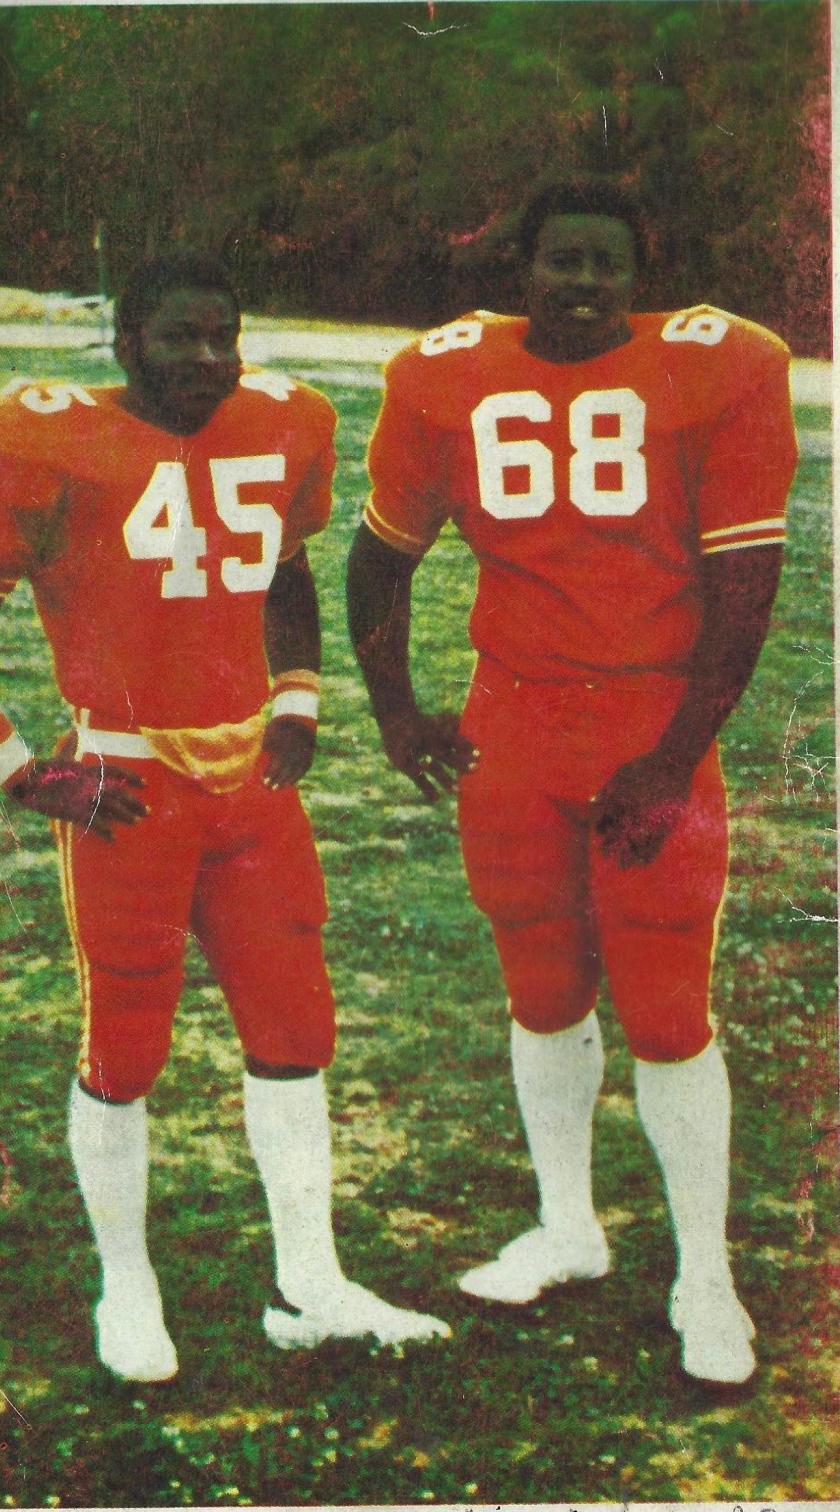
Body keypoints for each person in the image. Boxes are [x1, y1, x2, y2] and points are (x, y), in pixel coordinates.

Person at [0, 250, 450, 1383]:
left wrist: (296, 697)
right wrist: (18, 770)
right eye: (178, 339)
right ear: (125, 345)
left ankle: (310, 1282)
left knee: (296, 1031)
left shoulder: (279, 424)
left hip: (247, 781)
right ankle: (128, 1282)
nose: (207, 359)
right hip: (125, 782)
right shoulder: (45, 439)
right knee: (128, 1046)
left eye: (222, 337)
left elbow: (285, 567)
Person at [347, 176, 797, 1387]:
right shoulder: (446, 377)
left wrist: (672, 755)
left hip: (650, 714)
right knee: (540, 986)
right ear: (524, 267)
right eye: (561, 261)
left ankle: (706, 1277)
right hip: (513, 719)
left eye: (604, 263)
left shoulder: (723, 368)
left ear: (638, 278)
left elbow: (747, 592)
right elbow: (378, 558)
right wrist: (396, 709)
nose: (581, 283)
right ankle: (569, 1224)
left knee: (665, 1012)